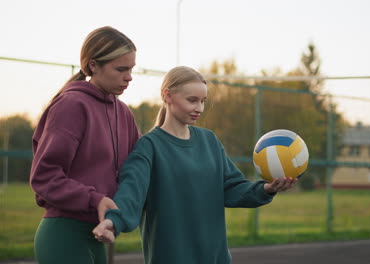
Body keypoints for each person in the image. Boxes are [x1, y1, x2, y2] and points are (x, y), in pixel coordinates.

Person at [92, 66, 297, 264]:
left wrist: (266, 189)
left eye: (203, 101)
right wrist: (113, 222)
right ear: (168, 96)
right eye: (192, 100)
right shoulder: (149, 146)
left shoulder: (209, 141)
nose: (199, 108)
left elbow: (232, 187)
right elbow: (131, 193)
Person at [29, 26, 140, 264]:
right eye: (121, 69)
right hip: (64, 234)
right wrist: (95, 200)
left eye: (131, 69)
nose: (129, 76)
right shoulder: (71, 106)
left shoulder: (124, 113)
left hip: (99, 234)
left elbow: (138, 169)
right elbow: (44, 176)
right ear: (93, 66)